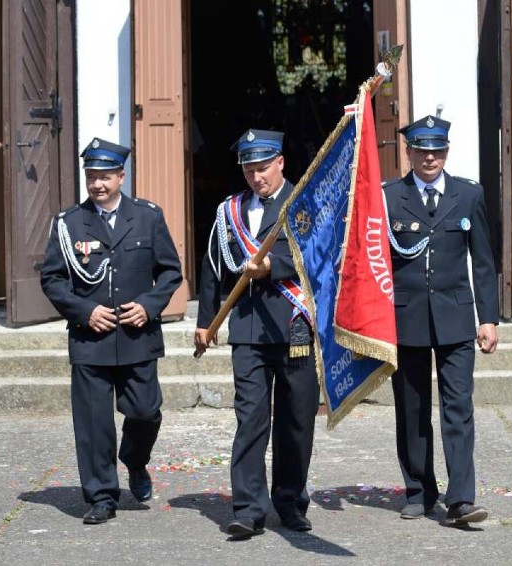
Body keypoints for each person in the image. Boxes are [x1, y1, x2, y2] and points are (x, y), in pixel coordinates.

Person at [40, 137, 183, 525]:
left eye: (105, 176)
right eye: (92, 177)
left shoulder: (148, 216)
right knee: (93, 425)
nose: (98, 184)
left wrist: (150, 306)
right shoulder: (69, 223)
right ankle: (102, 496)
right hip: (91, 341)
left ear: (122, 176)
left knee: (146, 412)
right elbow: (52, 279)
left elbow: (171, 271)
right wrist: (85, 311)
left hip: (138, 337)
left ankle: (135, 461)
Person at [194, 129, 319, 539]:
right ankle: (248, 508)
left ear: (281, 162)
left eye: (263, 168)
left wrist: (273, 268)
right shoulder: (229, 210)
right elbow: (214, 267)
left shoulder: (303, 203)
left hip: (293, 323)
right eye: (249, 170)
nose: (256, 177)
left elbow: (318, 257)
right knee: (250, 418)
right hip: (247, 328)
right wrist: (205, 320)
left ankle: (290, 500)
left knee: (296, 420)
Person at [382, 115, 499, 526]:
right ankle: (418, 491)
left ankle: (461, 498)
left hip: (454, 316)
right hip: (407, 317)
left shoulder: (468, 195)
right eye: (421, 150)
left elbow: (483, 261)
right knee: (412, 409)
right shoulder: (389, 198)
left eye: (437, 151)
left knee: (458, 408)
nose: (429, 158)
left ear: (446, 152)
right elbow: (376, 262)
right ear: (409, 153)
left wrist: (488, 318)